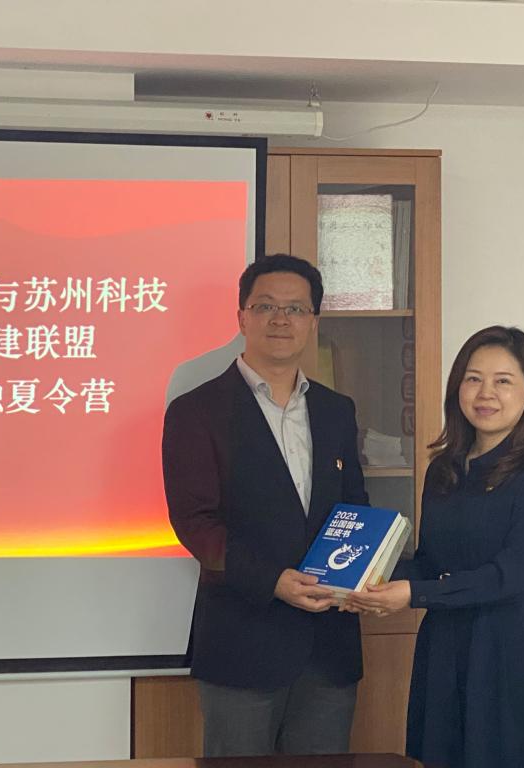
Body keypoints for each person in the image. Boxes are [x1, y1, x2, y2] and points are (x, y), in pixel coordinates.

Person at [347, 325, 524, 768]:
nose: (485, 393)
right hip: (443, 646)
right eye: (473, 378)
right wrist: (366, 578)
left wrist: (415, 595)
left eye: (503, 381)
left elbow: (517, 575)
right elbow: (430, 562)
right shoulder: (444, 469)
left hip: (508, 649)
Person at [162, 254, 369, 757]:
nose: (281, 319)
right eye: (266, 306)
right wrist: (272, 580)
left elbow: (354, 509)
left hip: (328, 647)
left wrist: (362, 574)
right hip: (241, 643)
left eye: (296, 309)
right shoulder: (195, 411)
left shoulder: (336, 411)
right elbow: (195, 523)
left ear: (313, 322)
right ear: (242, 317)